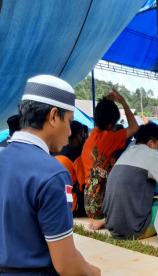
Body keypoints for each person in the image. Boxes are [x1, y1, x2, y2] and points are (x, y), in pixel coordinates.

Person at [0, 75, 99, 275]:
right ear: (54, 116)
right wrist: (93, 272)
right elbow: (66, 264)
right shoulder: (52, 174)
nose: (70, 131)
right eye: (70, 121)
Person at [104, 123, 158, 240]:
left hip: (113, 228)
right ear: (151, 143)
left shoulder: (127, 152)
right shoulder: (151, 154)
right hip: (135, 230)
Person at [81, 90, 139, 230]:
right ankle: (108, 220)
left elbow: (101, 114)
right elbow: (134, 127)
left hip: (88, 202)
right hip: (101, 206)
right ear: (110, 125)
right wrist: (123, 102)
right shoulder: (109, 137)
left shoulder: (92, 137)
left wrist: (106, 100)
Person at [55, 121, 87, 217]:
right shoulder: (76, 156)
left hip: (55, 202)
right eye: (82, 135)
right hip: (72, 206)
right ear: (78, 135)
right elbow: (83, 185)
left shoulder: (55, 150)